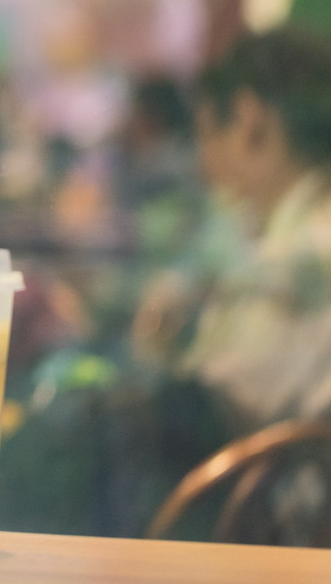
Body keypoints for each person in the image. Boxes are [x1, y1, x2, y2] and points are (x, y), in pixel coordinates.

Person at [131, 29, 331, 428]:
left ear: (247, 120)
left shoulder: (301, 252)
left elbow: (226, 396)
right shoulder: (288, 234)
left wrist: (160, 345)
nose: (205, 166)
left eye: (205, 135)